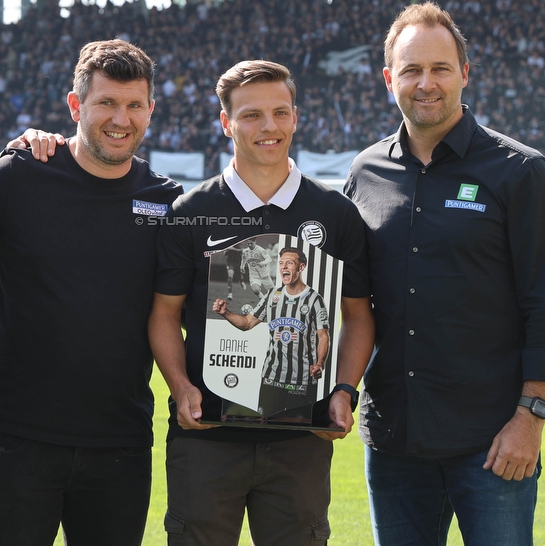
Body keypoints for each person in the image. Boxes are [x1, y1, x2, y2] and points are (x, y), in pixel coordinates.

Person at [340, 1, 545, 546]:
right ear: (388, 79)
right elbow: (347, 298)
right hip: (394, 442)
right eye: (411, 70)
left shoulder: (520, 171)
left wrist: (531, 418)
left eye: (440, 68)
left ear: (465, 74)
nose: (426, 83)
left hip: (494, 442)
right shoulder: (365, 172)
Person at [148, 59, 375, 545]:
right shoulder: (191, 212)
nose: (268, 127)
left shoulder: (335, 214)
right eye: (251, 115)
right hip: (206, 434)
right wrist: (180, 386)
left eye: (280, 112)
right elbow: (164, 314)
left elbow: (358, 317)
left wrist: (343, 391)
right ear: (226, 123)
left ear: (295, 117)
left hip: (301, 438)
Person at [0, 39, 182, 546]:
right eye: (106, 102)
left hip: (120, 442)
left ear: (151, 110)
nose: (121, 118)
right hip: (20, 435)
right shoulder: (18, 175)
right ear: (75, 106)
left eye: (134, 105)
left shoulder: (166, 200)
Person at [213, 246, 330, 420]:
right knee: (263, 427)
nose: (283, 267)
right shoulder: (271, 296)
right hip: (271, 378)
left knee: (296, 433)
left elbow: (323, 335)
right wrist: (225, 313)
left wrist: (320, 363)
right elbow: (247, 323)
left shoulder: (314, 299)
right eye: (281, 263)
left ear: (301, 267)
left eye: (289, 263)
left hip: (302, 382)